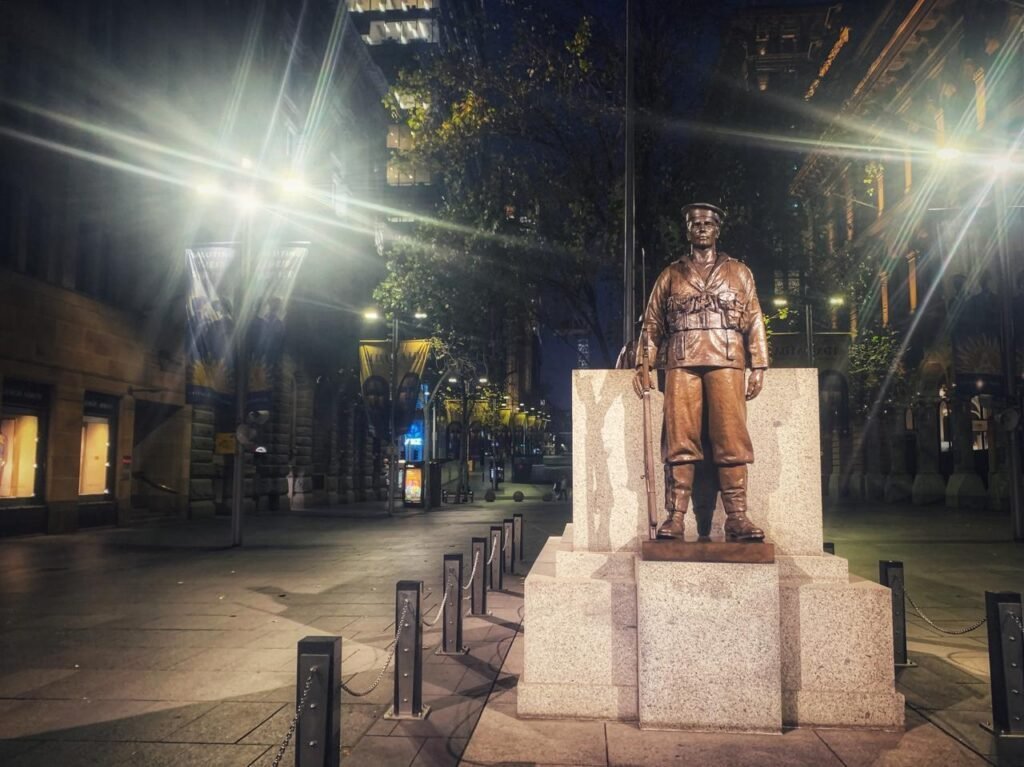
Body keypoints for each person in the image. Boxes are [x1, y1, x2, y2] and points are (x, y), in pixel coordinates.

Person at [633, 202, 768, 541]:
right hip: (682, 362)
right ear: (688, 230)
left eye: (708, 223)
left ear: (717, 229)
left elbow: (754, 319)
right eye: (696, 224)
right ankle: (675, 517)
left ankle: (737, 517)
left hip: (727, 359)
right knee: (680, 440)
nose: (702, 228)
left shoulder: (739, 272)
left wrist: (759, 364)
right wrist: (643, 362)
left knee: (731, 439)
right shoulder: (670, 274)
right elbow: (652, 324)